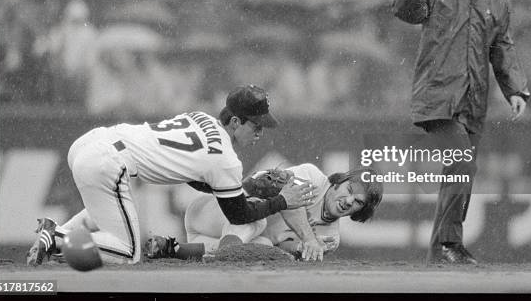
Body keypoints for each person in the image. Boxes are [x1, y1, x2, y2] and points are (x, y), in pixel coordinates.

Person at [26, 84, 317, 266]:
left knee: (104, 211)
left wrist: (245, 186)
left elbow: (191, 173)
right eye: (256, 126)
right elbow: (239, 215)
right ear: (237, 121)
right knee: (127, 253)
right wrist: (282, 200)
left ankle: (54, 231)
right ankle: (58, 237)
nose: (260, 133)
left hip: (91, 142)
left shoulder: (200, 116)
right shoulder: (226, 160)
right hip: (107, 162)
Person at [391, 0, 530, 264]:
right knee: (462, 164)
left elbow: (502, 46)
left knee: (458, 172)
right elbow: (406, 11)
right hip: (437, 97)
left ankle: (438, 253)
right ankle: (449, 244)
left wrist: (515, 89)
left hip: (473, 100)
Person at [145, 164, 383, 262]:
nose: (348, 201)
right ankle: (225, 259)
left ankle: (171, 248)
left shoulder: (332, 238)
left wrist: (300, 248)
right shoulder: (312, 176)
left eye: (358, 202)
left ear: (361, 211)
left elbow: (283, 247)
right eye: (349, 190)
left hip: (217, 239)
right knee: (256, 219)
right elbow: (287, 199)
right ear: (339, 181)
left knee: (262, 246)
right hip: (209, 213)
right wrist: (309, 238)